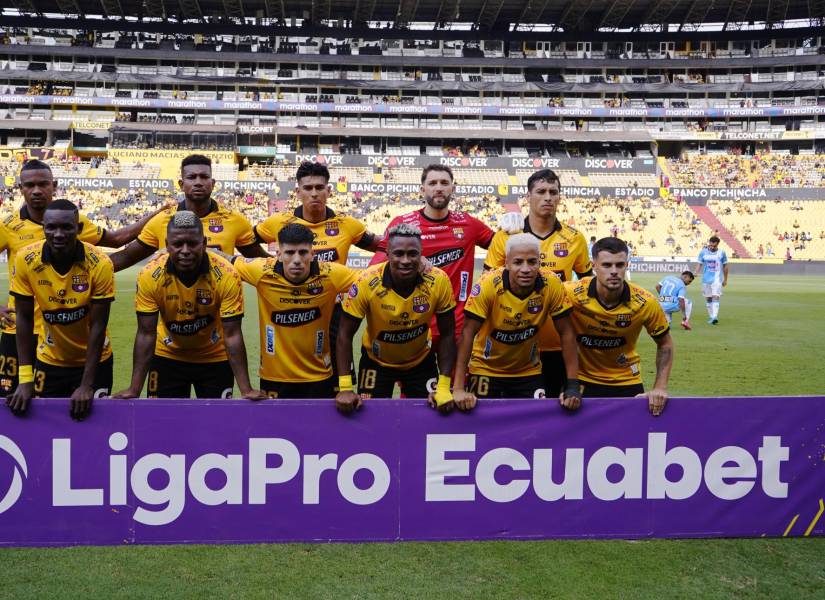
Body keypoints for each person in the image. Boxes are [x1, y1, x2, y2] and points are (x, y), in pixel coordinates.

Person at [0, 159, 162, 397]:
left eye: (43, 184)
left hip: (65, 332)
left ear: (54, 185)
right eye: (30, 185)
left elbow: (117, 240)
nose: (36, 190)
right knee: (13, 402)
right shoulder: (7, 225)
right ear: (20, 188)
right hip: (20, 328)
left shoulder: (75, 221)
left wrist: (154, 218)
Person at [253, 161, 382, 386]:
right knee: (296, 374)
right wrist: (273, 263)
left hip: (335, 312)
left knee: (338, 381)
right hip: (292, 306)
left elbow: (383, 247)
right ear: (298, 192)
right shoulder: (278, 222)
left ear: (328, 191)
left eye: (319, 187)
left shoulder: (346, 225)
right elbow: (246, 241)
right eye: (308, 188)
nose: (314, 193)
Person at [112, 212, 263, 400]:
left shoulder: (227, 274)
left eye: (192, 243)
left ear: (204, 243)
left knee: (217, 418)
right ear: (167, 245)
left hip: (214, 357)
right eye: (177, 244)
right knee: (161, 417)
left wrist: (246, 389)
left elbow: (232, 334)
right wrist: (134, 389)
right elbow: (146, 333)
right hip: (167, 355)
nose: (185, 250)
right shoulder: (149, 275)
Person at [370, 164, 517, 347]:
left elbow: (506, 248)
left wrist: (512, 227)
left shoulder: (469, 224)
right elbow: (373, 270)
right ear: (422, 190)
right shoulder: (402, 225)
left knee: (456, 367)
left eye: (444, 183)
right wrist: (412, 260)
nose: (439, 188)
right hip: (414, 324)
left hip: (457, 326)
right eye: (433, 183)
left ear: (452, 189)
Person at [483, 169, 592, 400]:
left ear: (560, 197)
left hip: (557, 345)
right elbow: (486, 287)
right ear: (528, 196)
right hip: (514, 346)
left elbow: (588, 288)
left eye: (553, 192)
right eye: (541, 191)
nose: (548, 197)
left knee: (556, 412)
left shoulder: (575, 238)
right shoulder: (506, 235)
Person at [6, 200, 115, 420]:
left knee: (92, 427)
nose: (58, 234)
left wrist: (87, 384)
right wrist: (25, 379)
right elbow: (24, 318)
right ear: (43, 228)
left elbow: (98, 325)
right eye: (51, 227)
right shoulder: (26, 259)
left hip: (96, 362)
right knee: (44, 426)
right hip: (50, 360)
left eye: (66, 227)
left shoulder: (100, 264)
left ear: (79, 228)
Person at [336, 223, 456, 414]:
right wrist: (345, 387)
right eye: (398, 254)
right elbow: (344, 334)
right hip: (375, 362)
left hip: (420, 362)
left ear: (421, 254)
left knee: (431, 415)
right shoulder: (366, 281)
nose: (405, 260)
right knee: (369, 418)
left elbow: (448, 333)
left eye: (412, 254)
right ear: (388, 254)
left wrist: (443, 386)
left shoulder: (439, 280)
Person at [453, 234, 581, 411]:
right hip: (485, 369)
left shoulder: (552, 284)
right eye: (518, 262)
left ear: (539, 262)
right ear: (506, 263)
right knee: (483, 423)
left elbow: (567, 333)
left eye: (532, 262)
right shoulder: (488, 284)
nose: (525, 269)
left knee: (535, 423)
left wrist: (572, 385)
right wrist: (458, 388)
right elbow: (467, 333)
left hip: (528, 371)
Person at [231, 223, 359, 399]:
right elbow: (224, 259)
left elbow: (369, 280)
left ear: (312, 254)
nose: (297, 259)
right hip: (274, 378)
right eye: (290, 253)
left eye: (303, 252)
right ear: (279, 254)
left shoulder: (332, 275)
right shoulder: (261, 271)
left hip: (319, 376)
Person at [564, 237, 673, 416]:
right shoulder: (571, 293)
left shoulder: (645, 302)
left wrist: (660, 387)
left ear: (627, 265)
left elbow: (665, 344)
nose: (614, 271)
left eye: (620, 265)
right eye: (607, 265)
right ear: (594, 266)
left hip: (626, 381)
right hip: (582, 382)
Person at [109, 154, 269, 272]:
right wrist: (95, 267)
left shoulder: (235, 220)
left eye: (204, 177)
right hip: (173, 304)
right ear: (181, 184)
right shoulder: (162, 220)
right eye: (192, 177)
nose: (198, 182)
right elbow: (126, 257)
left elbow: (262, 262)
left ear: (213, 183)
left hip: (221, 305)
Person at [694, 235, 729, 325]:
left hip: (717, 279)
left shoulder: (722, 253)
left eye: (714, 246)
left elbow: (725, 266)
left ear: (718, 244)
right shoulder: (703, 252)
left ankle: (714, 317)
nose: (712, 247)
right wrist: (696, 272)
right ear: (709, 243)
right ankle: (711, 317)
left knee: (716, 296)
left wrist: (725, 279)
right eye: (711, 245)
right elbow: (699, 263)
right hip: (706, 279)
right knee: (708, 298)